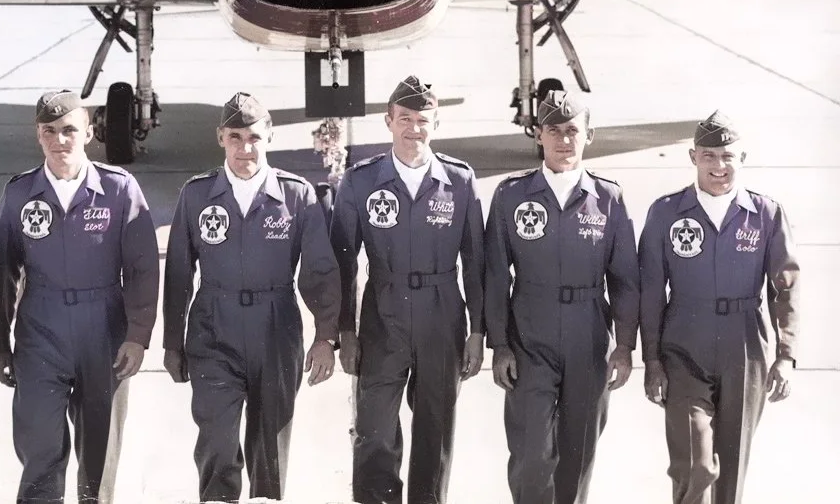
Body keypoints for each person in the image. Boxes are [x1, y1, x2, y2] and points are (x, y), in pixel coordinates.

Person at [162, 91, 341, 503]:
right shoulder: (196, 195)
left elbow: (319, 272)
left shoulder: (296, 196)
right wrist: (173, 342)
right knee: (217, 441)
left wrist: (325, 336)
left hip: (276, 329)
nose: (246, 148)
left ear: (270, 136)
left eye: (255, 138)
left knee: (270, 449)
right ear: (221, 138)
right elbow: (178, 275)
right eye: (236, 137)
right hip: (213, 328)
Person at [0, 90, 159, 504]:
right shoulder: (20, 194)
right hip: (40, 331)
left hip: (104, 330)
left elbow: (142, 267)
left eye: (69, 130)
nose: (59, 140)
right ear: (38, 136)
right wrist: (1, 345)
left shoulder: (119, 189)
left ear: (88, 133)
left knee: (99, 455)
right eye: (49, 131)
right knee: (40, 445)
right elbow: (4, 275)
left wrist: (137, 335)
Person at [330, 75, 486, 504]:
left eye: (423, 120)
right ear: (388, 121)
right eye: (405, 119)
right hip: (383, 312)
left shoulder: (459, 181)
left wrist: (477, 331)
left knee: (435, 429)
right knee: (374, 427)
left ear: (435, 123)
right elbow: (342, 263)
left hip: (442, 313)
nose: (413, 129)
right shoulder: (361, 182)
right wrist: (345, 330)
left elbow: (476, 263)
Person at [484, 90, 640, 504]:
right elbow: (496, 275)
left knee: (579, 451)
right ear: (538, 135)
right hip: (529, 334)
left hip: (588, 334)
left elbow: (625, 279)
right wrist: (499, 345)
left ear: (589, 135)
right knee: (531, 452)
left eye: (573, 130)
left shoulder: (609, 198)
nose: (564, 140)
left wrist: (624, 346)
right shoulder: (511, 195)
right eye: (554, 130)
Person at [638, 110, 800, 504]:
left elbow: (786, 288)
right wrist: (653, 361)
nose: (719, 165)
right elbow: (650, 291)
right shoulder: (665, 212)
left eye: (728, 156)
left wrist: (786, 355)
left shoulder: (766, 214)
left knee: (731, 470)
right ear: (693, 158)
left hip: (744, 343)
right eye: (709, 155)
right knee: (695, 465)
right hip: (683, 342)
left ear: (742, 158)